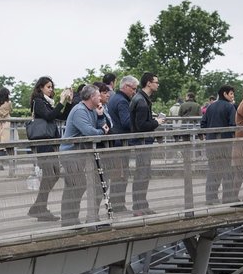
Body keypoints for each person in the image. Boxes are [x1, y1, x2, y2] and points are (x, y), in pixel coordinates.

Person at [59, 85, 108, 226]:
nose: (100, 98)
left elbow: (100, 127)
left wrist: (100, 117)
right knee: (75, 185)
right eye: (98, 95)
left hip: (79, 154)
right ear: (92, 97)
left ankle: (71, 220)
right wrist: (101, 132)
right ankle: (69, 220)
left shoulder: (92, 110)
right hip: (70, 153)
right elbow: (90, 132)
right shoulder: (80, 111)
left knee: (77, 185)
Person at [27, 76, 72, 222]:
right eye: (48, 87)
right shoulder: (38, 102)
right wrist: (60, 101)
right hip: (43, 143)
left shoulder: (48, 102)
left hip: (50, 143)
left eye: (52, 87)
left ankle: (39, 207)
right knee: (50, 173)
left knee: (54, 174)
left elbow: (62, 116)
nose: (51, 89)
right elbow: (49, 116)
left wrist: (69, 102)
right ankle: (40, 208)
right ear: (40, 88)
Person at [129, 72, 164, 215]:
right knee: (142, 174)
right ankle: (139, 207)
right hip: (142, 142)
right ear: (148, 83)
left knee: (142, 174)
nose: (157, 84)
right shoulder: (142, 101)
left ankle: (141, 205)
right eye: (156, 82)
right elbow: (142, 125)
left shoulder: (140, 99)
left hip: (141, 142)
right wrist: (157, 122)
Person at [199, 85, 237, 204]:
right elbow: (233, 125)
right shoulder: (230, 107)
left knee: (213, 171)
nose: (232, 96)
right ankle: (227, 198)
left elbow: (203, 124)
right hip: (225, 144)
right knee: (227, 171)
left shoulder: (210, 107)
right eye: (231, 93)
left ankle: (211, 198)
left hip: (211, 143)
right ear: (224, 94)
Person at [106, 76, 138, 212]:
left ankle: (116, 204)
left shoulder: (114, 98)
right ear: (125, 86)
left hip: (115, 143)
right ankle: (118, 205)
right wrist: (139, 122)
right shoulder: (122, 101)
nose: (134, 92)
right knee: (121, 175)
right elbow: (126, 122)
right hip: (120, 144)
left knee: (117, 175)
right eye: (133, 89)